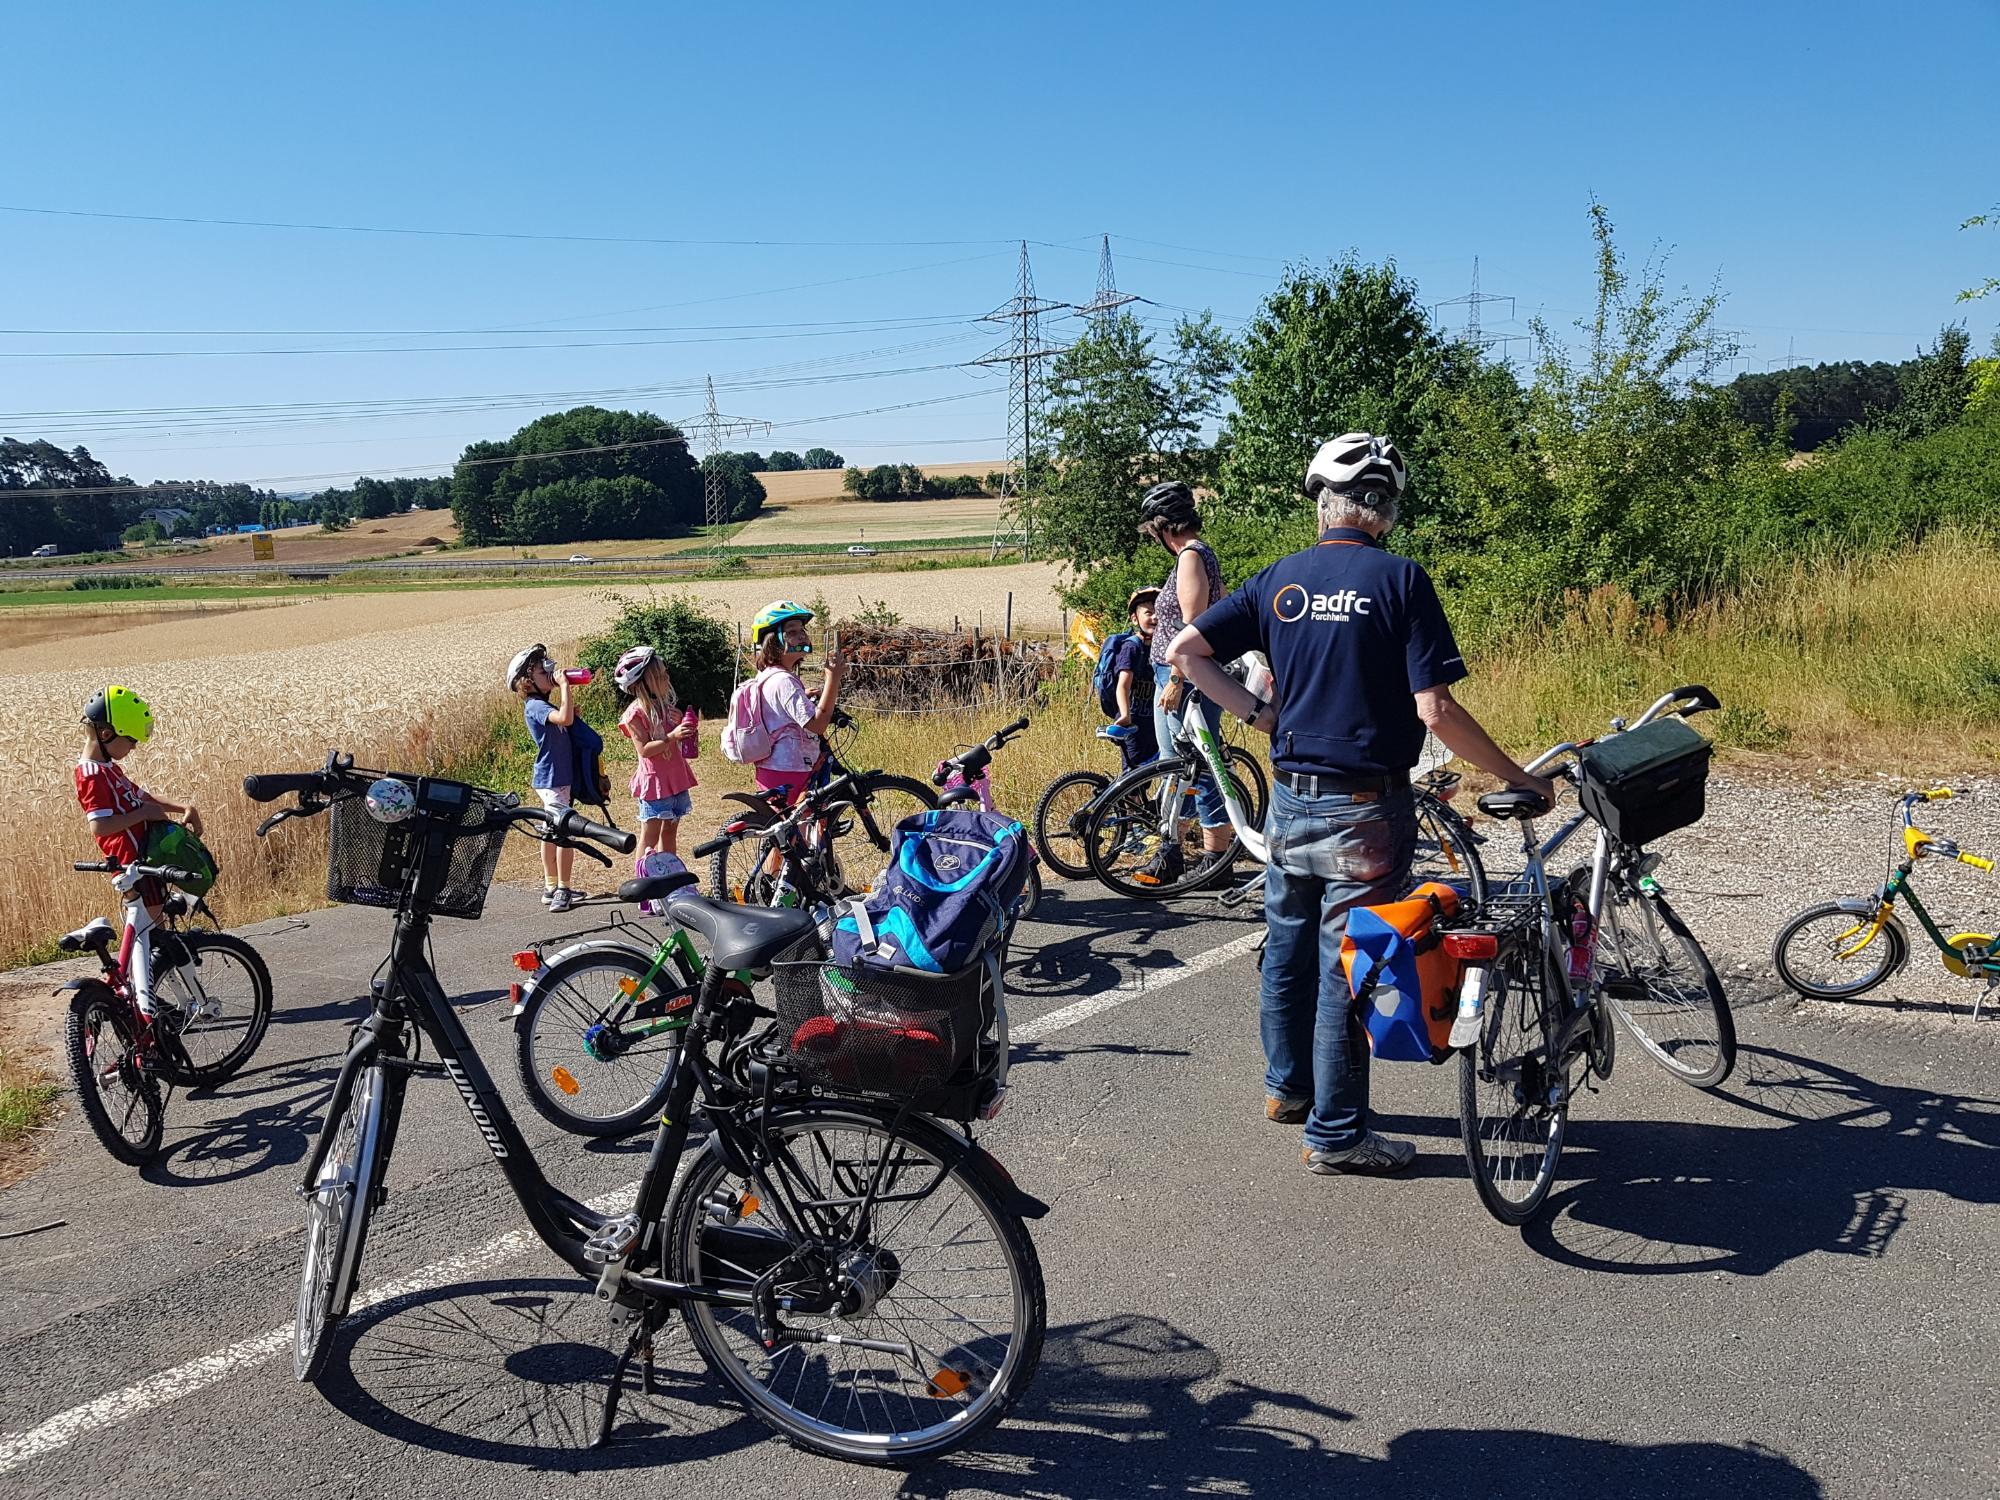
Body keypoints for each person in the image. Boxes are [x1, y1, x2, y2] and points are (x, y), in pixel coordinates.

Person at [1169, 433, 1554, 1179]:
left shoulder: (1280, 580)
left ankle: (1289, 1092)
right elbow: (1435, 711)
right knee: (1350, 968)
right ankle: (1338, 1135)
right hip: (1365, 807)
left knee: (1286, 946)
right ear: (1387, 509)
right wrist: (1518, 775)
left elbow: (1186, 652)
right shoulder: (1401, 581)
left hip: (1291, 799)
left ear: (1323, 501)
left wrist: (1256, 716)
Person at [1136, 481, 1232, 884]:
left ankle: (1213, 857)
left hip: (1184, 677)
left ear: (1163, 527)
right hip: (1178, 673)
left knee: (1195, 764)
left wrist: (1176, 678)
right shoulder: (1196, 556)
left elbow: (1193, 625)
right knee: (1177, 765)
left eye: (1153, 531)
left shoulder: (1192, 557)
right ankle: (1173, 848)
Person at [75, 683, 202, 878]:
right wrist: (143, 814)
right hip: (131, 867)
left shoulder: (109, 768)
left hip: (145, 859)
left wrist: (184, 807)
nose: (133, 747)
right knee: (151, 910)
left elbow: (143, 797)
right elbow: (99, 826)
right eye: (131, 740)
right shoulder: (91, 773)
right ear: (106, 734)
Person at [745, 599, 846, 807]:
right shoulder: (785, 681)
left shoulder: (770, 675)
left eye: (802, 629)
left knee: (788, 836)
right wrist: (832, 679)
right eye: (791, 631)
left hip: (774, 767)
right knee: (799, 834)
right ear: (773, 640)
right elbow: (818, 725)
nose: (801, 635)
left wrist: (803, 694)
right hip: (790, 769)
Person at [507, 643, 581, 912]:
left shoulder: (541, 704)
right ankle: (563, 888)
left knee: (550, 832)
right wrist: (565, 686)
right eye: (542, 671)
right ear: (527, 681)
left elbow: (566, 719)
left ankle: (551, 885)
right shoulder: (535, 706)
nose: (549, 672)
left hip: (555, 777)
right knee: (564, 833)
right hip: (552, 778)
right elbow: (565, 719)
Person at [614, 645, 698, 862]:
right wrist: (672, 736)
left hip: (675, 778)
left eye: (665, 673)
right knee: (650, 836)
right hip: (655, 783)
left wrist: (681, 725)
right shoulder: (635, 714)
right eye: (659, 676)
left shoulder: (666, 707)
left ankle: (668, 877)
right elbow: (644, 750)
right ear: (643, 684)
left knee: (670, 832)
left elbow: (678, 740)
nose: (666, 678)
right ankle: (645, 883)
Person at [1098, 587, 1160, 772]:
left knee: (1149, 773)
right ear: (1135, 619)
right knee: (1134, 777)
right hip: (1132, 722)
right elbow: (1123, 686)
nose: (1155, 617)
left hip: (1152, 721)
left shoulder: (1159, 648)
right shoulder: (1132, 648)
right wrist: (1125, 715)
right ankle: (1122, 800)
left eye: (1158, 611)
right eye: (1148, 613)